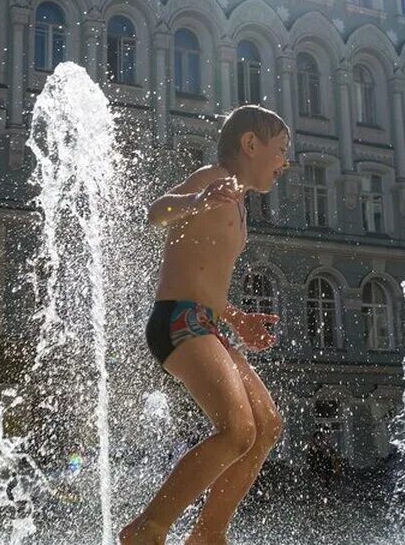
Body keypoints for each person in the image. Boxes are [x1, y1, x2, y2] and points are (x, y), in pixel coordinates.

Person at [120, 105, 291, 545]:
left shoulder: (239, 207)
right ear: (250, 144)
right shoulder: (212, 180)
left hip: (207, 323)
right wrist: (195, 200)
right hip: (177, 320)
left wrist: (238, 318)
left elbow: (206, 280)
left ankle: (209, 533)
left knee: (266, 425)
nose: (285, 162)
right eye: (281, 150)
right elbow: (156, 212)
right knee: (237, 430)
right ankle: (148, 529)